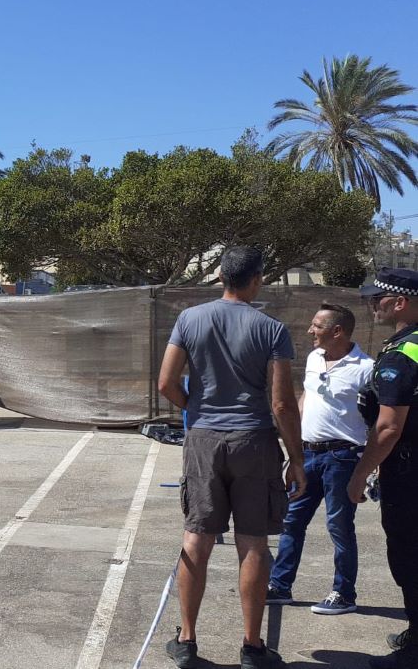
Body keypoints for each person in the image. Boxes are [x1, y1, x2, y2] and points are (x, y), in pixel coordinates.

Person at [157, 246, 306, 669]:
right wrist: (295, 459)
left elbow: (166, 381)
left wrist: (196, 410)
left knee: (196, 538)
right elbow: (281, 404)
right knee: (254, 542)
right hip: (254, 440)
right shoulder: (271, 328)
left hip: (205, 439)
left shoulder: (190, 319)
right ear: (257, 278)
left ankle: (186, 640)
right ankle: (252, 646)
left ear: (221, 275)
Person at [267, 304, 372, 615]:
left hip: (343, 458)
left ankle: (343, 593)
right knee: (290, 520)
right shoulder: (313, 359)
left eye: (316, 326)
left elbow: (377, 419)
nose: (309, 331)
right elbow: (305, 396)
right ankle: (280, 586)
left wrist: (369, 468)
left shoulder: (366, 368)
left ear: (336, 331)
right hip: (308, 454)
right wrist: (294, 448)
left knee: (339, 526)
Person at [349, 268, 418, 669]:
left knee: (408, 554)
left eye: (377, 299)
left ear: (400, 302)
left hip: (408, 472)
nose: (373, 306)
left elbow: (389, 426)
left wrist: (361, 472)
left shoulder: (401, 353)